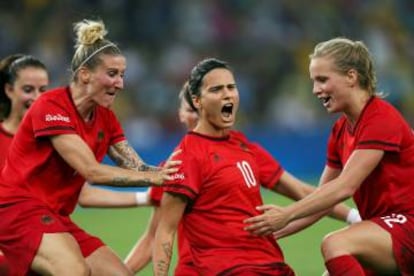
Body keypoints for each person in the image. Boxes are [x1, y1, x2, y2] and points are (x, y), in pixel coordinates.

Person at [0, 19, 179, 276]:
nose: (121, 84)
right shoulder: (51, 106)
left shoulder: (105, 116)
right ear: (85, 74)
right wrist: (157, 178)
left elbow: (135, 165)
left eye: (122, 75)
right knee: (73, 270)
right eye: (112, 74)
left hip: (56, 217)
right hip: (18, 211)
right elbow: (92, 171)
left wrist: (171, 175)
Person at [152, 57, 361, 276]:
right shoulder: (188, 156)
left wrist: (353, 217)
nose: (227, 94)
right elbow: (164, 230)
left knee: (359, 257)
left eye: (231, 87)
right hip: (229, 269)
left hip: (270, 264)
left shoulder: (242, 145)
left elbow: (301, 191)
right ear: (197, 101)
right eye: (216, 89)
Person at [244, 37, 414, 275]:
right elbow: (323, 200)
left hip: (407, 223)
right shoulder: (340, 130)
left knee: (335, 243)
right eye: (314, 81)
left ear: (351, 77)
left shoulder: (380, 119)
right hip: (382, 230)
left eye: (322, 80)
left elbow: (345, 187)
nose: (316, 90)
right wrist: (271, 231)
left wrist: (286, 214)